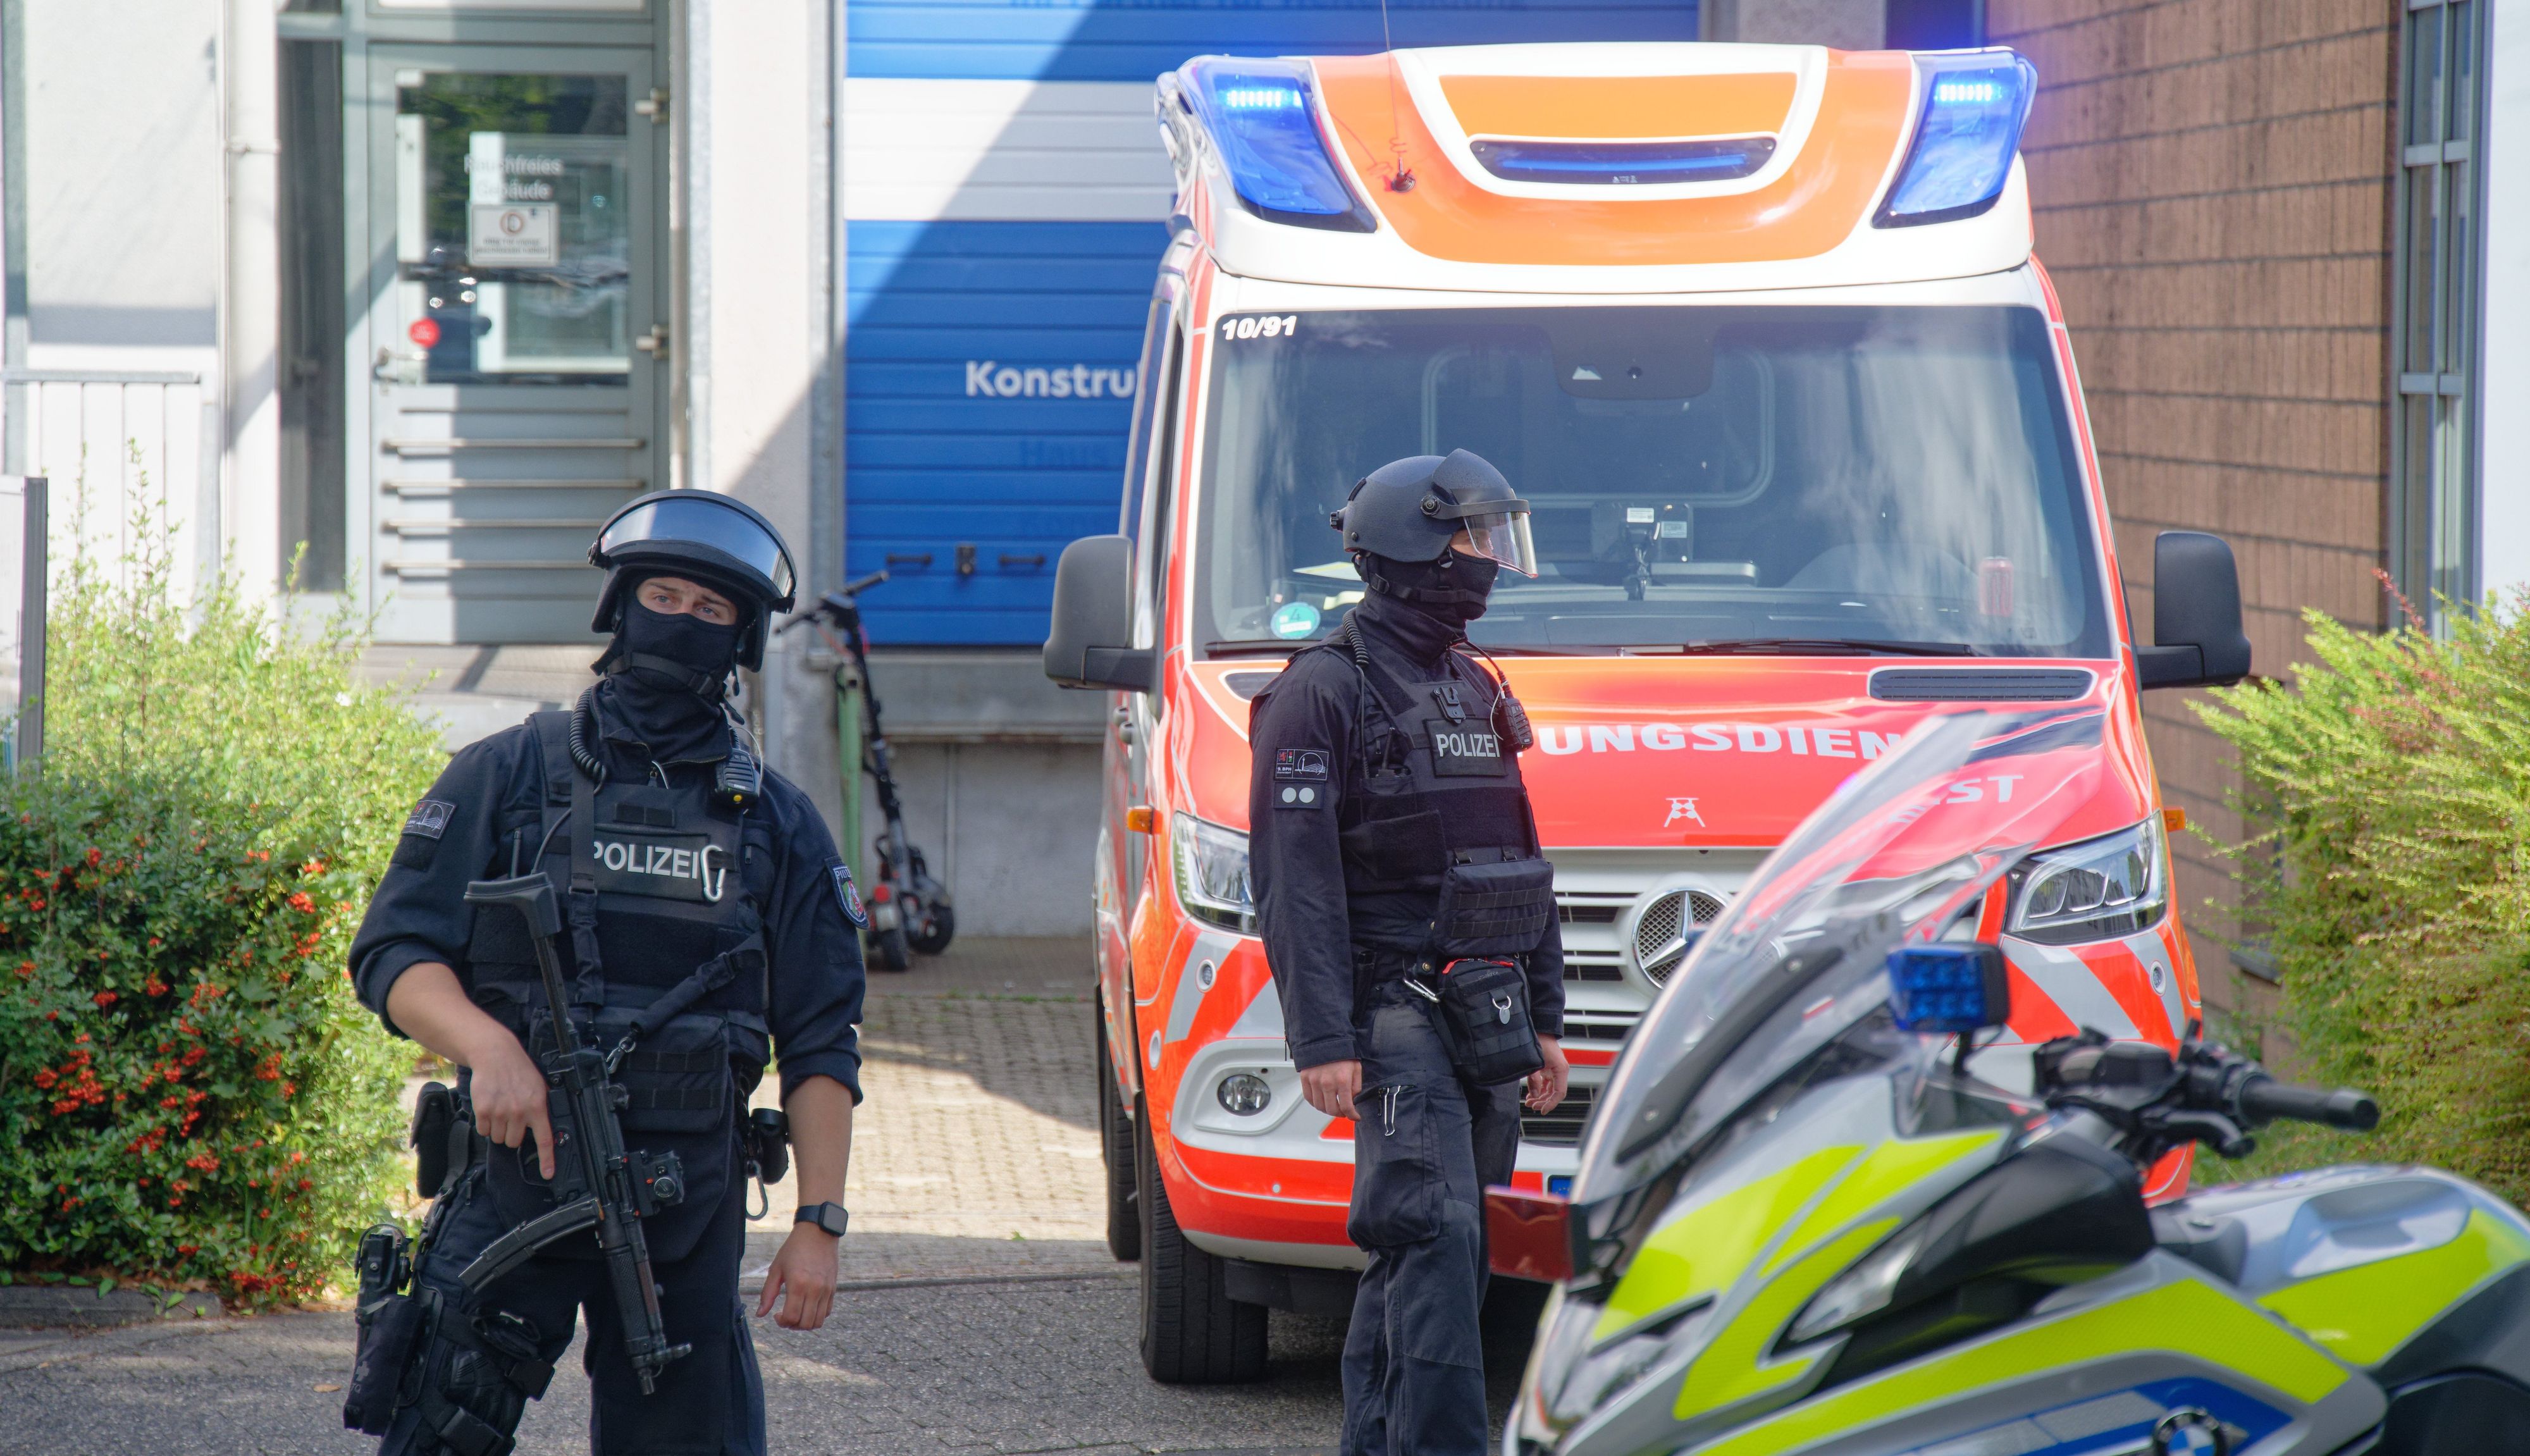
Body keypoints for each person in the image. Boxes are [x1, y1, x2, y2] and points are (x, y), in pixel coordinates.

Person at [346, 491, 867, 1456]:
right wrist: (486, 1043)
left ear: (742, 638)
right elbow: (393, 953)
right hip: (514, 1181)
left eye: (712, 610)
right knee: (433, 1428)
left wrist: (820, 1222)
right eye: (664, 594)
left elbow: (822, 1036)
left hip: (685, 1204)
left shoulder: (776, 823)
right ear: (621, 607)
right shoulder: (506, 773)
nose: (684, 620)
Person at [1247, 450, 1570, 1456]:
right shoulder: (1318, 694)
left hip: (1487, 1014)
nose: (1489, 558)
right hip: (1391, 1013)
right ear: (1418, 545)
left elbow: (1522, 857)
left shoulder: (1472, 686)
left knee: (1433, 1256)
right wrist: (1322, 1040)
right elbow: (1293, 883)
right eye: (1476, 535)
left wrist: (1548, 1018)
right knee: (1434, 1236)